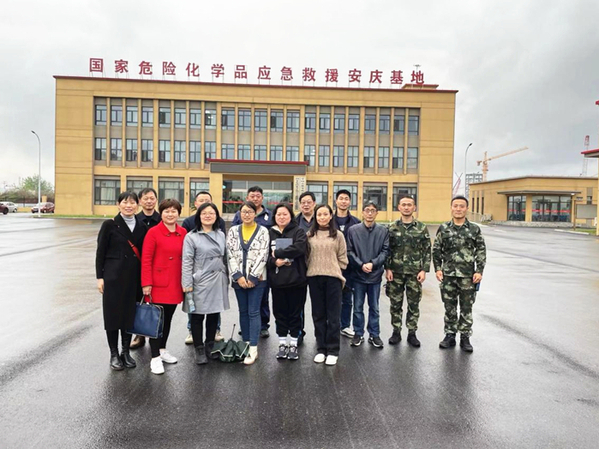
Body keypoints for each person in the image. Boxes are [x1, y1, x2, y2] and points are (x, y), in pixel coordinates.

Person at [96, 192, 147, 371]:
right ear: (118, 204)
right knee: (112, 316)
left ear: (137, 205)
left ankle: (125, 352)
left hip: (134, 278)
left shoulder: (142, 226)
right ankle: (114, 354)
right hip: (113, 277)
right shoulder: (109, 225)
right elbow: (100, 252)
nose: (129, 206)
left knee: (129, 315)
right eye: (125, 202)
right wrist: (100, 277)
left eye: (132, 202)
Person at [433, 195, 486, 352]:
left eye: (461, 206)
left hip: (467, 276)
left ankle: (465, 337)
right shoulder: (444, 228)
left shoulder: (474, 229)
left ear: (466, 209)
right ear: (451, 208)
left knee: (466, 307)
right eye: (455, 206)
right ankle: (449, 335)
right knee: (449, 306)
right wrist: (438, 268)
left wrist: (479, 271)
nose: (458, 209)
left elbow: (481, 250)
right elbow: (436, 249)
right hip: (448, 275)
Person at [141, 199, 187, 374]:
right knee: (156, 322)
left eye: (174, 211)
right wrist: (146, 283)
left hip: (175, 283)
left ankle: (162, 349)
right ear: (161, 213)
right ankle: (154, 357)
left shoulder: (183, 232)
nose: (170, 214)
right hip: (157, 284)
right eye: (167, 211)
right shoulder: (153, 232)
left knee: (167, 319)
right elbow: (146, 259)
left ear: (178, 213)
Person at [182, 202, 230, 365]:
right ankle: (199, 348)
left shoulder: (221, 234)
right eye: (204, 213)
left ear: (216, 216)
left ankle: (210, 345)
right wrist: (187, 282)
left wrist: (226, 277)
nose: (208, 216)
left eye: (211, 213)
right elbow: (187, 261)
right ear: (199, 216)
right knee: (197, 315)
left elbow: (225, 257)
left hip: (218, 278)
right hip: (200, 280)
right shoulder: (191, 236)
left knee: (214, 314)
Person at [227, 201, 270, 365]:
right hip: (239, 279)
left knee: (253, 312)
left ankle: (253, 347)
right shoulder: (233, 231)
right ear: (239, 213)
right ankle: (245, 343)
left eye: (250, 212)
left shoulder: (263, 231)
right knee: (243, 311)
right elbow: (230, 253)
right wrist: (238, 276)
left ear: (255, 214)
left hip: (257, 280)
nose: (246, 214)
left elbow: (264, 254)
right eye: (244, 211)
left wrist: (253, 276)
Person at [385, 194, 431, 347]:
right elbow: (387, 250)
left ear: (414, 207)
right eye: (403, 204)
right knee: (395, 304)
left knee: (413, 304)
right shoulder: (392, 227)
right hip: (395, 272)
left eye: (409, 204)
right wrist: (388, 268)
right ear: (399, 207)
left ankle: (412, 333)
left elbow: (427, 250)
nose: (406, 207)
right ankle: (396, 331)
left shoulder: (421, 227)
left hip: (414, 273)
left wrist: (424, 270)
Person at [306, 204, 348, 366]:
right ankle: (321, 348)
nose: (322, 217)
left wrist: (335, 269)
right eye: (319, 215)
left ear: (331, 216)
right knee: (318, 315)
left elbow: (343, 258)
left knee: (333, 316)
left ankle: (333, 350)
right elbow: (306, 257)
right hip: (314, 278)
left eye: (325, 214)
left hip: (333, 279)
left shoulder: (338, 235)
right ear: (315, 217)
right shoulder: (309, 235)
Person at [267, 203, 308, 360]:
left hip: (297, 281)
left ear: (291, 216)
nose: (281, 217)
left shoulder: (298, 231)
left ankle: (293, 344)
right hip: (277, 282)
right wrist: (274, 261)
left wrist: (278, 253)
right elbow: (264, 255)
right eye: (278, 214)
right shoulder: (269, 233)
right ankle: (282, 343)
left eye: (285, 214)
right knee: (280, 313)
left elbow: (299, 248)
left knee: (295, 314)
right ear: (274, 216)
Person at [347, 201, 389, 349]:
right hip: (358, 275)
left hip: (375, 276)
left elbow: (385, 251)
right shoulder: (353, 230)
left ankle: (374, 334)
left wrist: (373, 264)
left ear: (377, 213)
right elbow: (349, 251)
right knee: (358, 307)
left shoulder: (383, 231)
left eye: (373, 210)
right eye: (367, 210)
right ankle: (358, 333)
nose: (370, 213)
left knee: (374, 307)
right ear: (362, 212)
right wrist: (360, 264)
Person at [232, 186, 272, 338]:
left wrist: (254, 274)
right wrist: (239, 275)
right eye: (252, 196)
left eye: (258, 196)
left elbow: (265, 249)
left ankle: (263, 325)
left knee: (262, 299)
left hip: (261, 269)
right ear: (247, 198)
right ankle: (247, 327)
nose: (255, 198)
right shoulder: (238, 217)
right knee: (244, 307)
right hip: (241, 269)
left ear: (262, 198)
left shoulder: (269, 216)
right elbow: (232, 248)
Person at [130, 187, 161, 349]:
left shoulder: (162, 219)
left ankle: (157, 335)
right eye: (145, 199)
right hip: (138, 265)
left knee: (158, 301)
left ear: (156, 200)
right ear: (140, 201)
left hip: (159, 266)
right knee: (139, 301)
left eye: (152, 198)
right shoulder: (134, 220)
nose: (149, 201)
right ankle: (139, 334)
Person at [334, 189, 361, 339]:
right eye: (341, 198)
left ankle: (344, 325)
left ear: (350, 202)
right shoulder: (328, 220)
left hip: (350, 267)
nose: (343, 201)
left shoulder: (356, 222)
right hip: (331, 266)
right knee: (332, 298)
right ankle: (332, 325)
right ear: (336, 201)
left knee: (347, 298)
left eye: (346, 199)